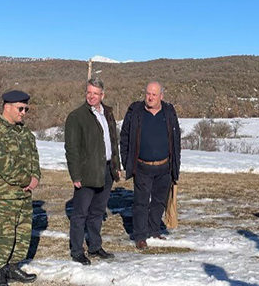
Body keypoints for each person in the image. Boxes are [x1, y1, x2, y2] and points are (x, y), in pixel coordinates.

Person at [0, 90, 40, 286]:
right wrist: (27, 179)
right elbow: (4, 165)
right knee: (3, 234)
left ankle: (13, 267)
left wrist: (35, 177)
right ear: (7, 107)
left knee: (22, 233)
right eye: (20, 108)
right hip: (5, 194)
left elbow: (34, 157)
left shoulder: (25, 133)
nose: (24, 112)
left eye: (26, 109)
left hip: (24, 193)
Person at [64, 78, 121, 264]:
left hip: (107, 169)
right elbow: (71, 149)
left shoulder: (108, 113)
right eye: (89, 92)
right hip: (87, 171)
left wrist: (116, 166)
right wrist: (75, 175)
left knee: (97, 211)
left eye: (95, 93)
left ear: (102, 95)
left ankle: (95, 246)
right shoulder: (76, 116)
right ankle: (77, 251)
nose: (91, 96)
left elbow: (113, 142)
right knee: (80, 213)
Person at [120, 81, 181, 249]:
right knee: (141, 202)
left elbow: (176, 139)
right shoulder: (135, 112)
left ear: (161, 96)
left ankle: (154, 230)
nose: (150, 97)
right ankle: (140, 236)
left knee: (159, 201)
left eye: (154, 94)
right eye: (148, 93)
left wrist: (175, 165)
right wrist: (126, 161)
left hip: (164, 166)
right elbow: (124, 137)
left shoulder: (169, 112)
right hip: (142, 166)